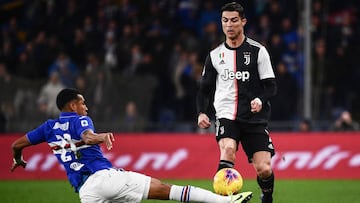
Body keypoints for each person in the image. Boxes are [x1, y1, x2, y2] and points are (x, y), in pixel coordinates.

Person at [11, 88, 252, 203]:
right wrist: (100, 136)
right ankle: (226, 201)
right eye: (83, 103)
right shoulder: (80, 119)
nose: (86, 107)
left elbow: (17, 144)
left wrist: (18, 157)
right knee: (165, 190)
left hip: (86, 192)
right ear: (73, 105)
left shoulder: (47, 128)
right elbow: (86, 136)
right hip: (104, 178)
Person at [196, 2, 277, 203]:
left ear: (243, 22)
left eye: (233, 20)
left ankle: (267, 195)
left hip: (253, 118)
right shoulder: (214, 55)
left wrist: (260, 99)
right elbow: (204, 90)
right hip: (226, 115)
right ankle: (222, 200)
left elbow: (271, 86)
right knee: (228, 150)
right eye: (225, 21)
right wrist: (202, 112)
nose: (229, 25)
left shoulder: (258, 51)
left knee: (264, 169)